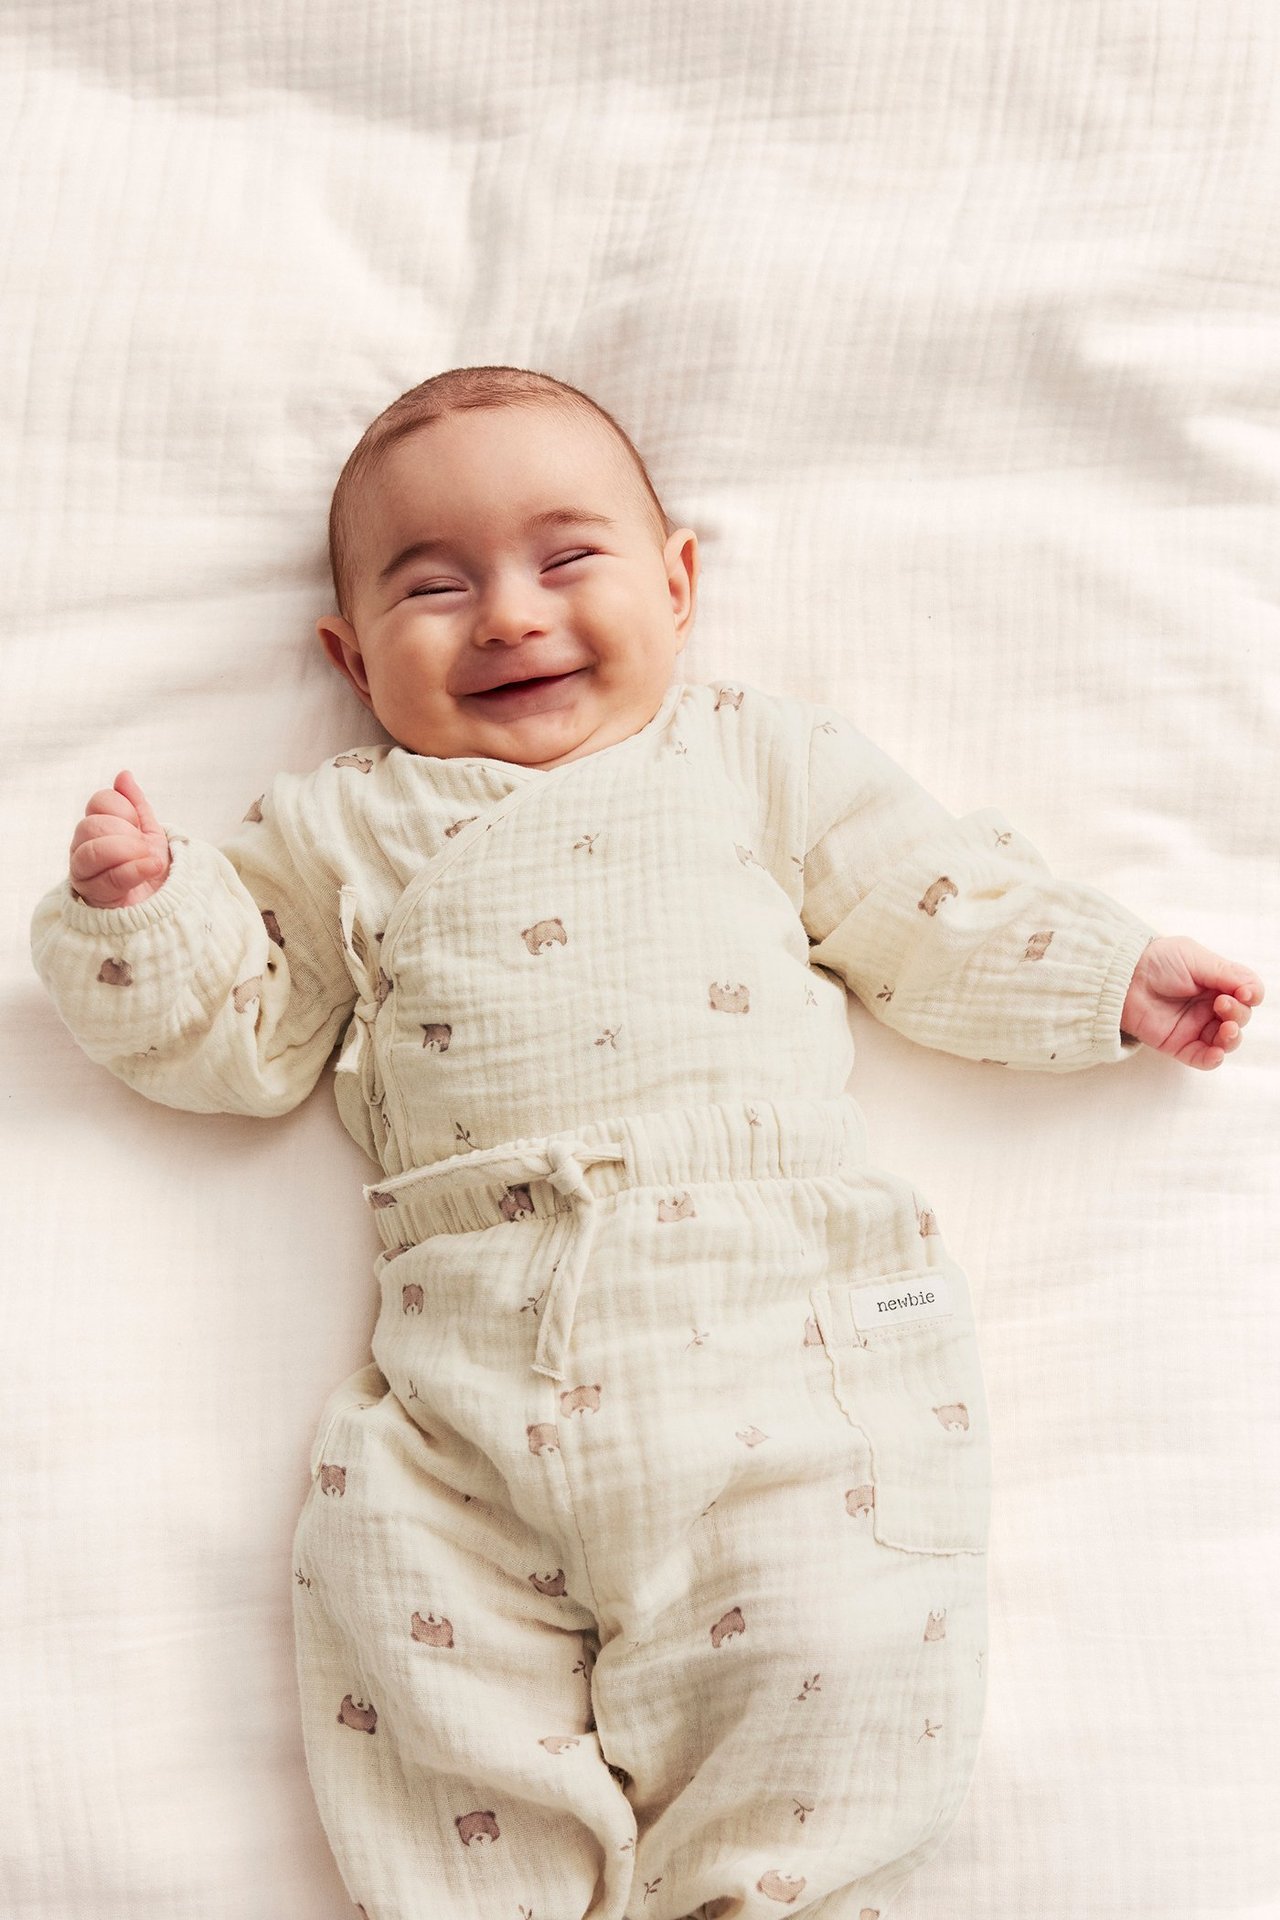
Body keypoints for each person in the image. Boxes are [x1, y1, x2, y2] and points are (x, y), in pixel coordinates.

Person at [29, 366, 1265, 1920]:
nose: (508, 615)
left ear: (679, 588)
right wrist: (144, 913)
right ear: (348, 656)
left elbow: (928, 899)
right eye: (434, 585)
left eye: (568, 559)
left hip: (781, 1320)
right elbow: (240, 1034)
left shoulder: (751, 758)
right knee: (399, 1605)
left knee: (844, 1634)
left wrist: (1109, 974)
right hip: (472, 1348)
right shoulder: (344, 826)